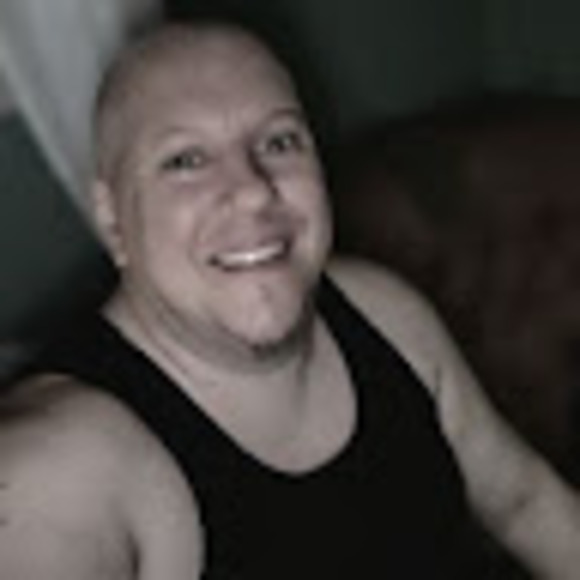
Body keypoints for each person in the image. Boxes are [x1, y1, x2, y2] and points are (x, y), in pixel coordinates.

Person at [3, 20, 580, 579]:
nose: (253, 190)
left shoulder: (384, 312)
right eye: (186, 160)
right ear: (112, 220)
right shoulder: (57, 471)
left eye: (279, 141)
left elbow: (522, 503)